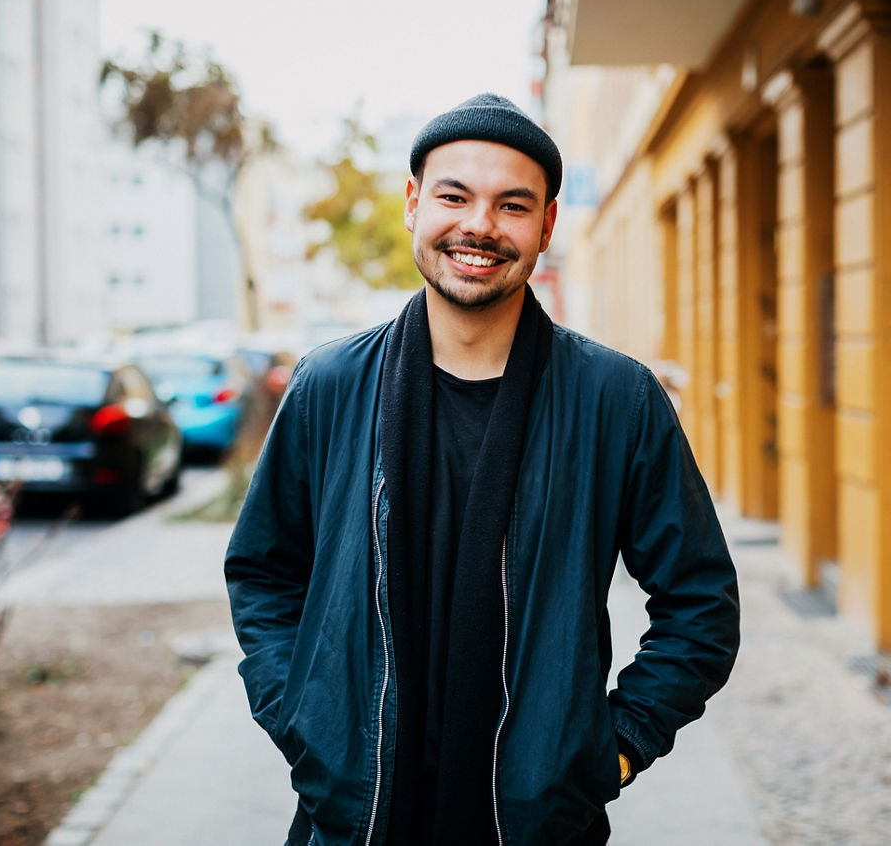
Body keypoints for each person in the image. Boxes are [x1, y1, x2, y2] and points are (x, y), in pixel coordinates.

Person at [225, 93, 740, 846]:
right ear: (412, 204)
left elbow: (700, 604)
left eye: (512, 205)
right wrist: (301, 718)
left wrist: (614, 748)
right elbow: (265, 573)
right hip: (352, 817)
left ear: (547, 227)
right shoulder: (329, 385)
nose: (480, 226)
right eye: (455, 197)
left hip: (535, 826)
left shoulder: (615, 399)